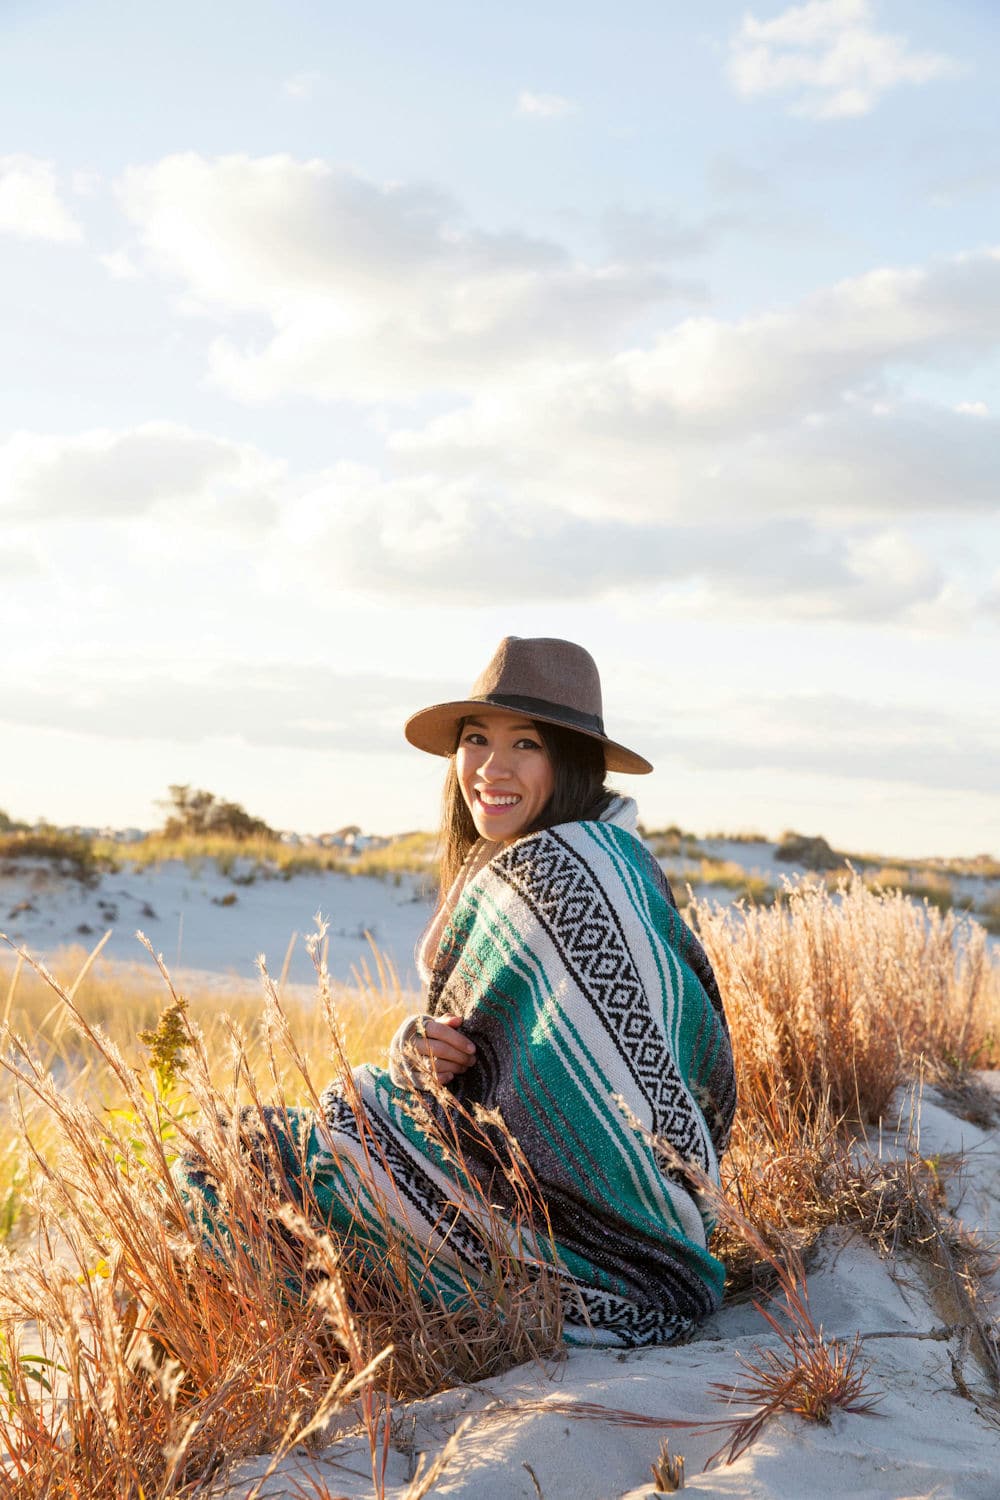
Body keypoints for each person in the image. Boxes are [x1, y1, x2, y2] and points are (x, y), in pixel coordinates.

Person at [179, 636, 736, 1348]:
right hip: (548, 1200)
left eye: (525, 744)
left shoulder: (578, 870)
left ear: (569, 760)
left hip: (592, 1239)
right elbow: (512, 1042)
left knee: (229, 1161)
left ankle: (309, 1360)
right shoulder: (538, 865)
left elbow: (641, 1071)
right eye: (477, 740)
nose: (492, 767)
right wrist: (421, 1056)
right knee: (261, 1155)